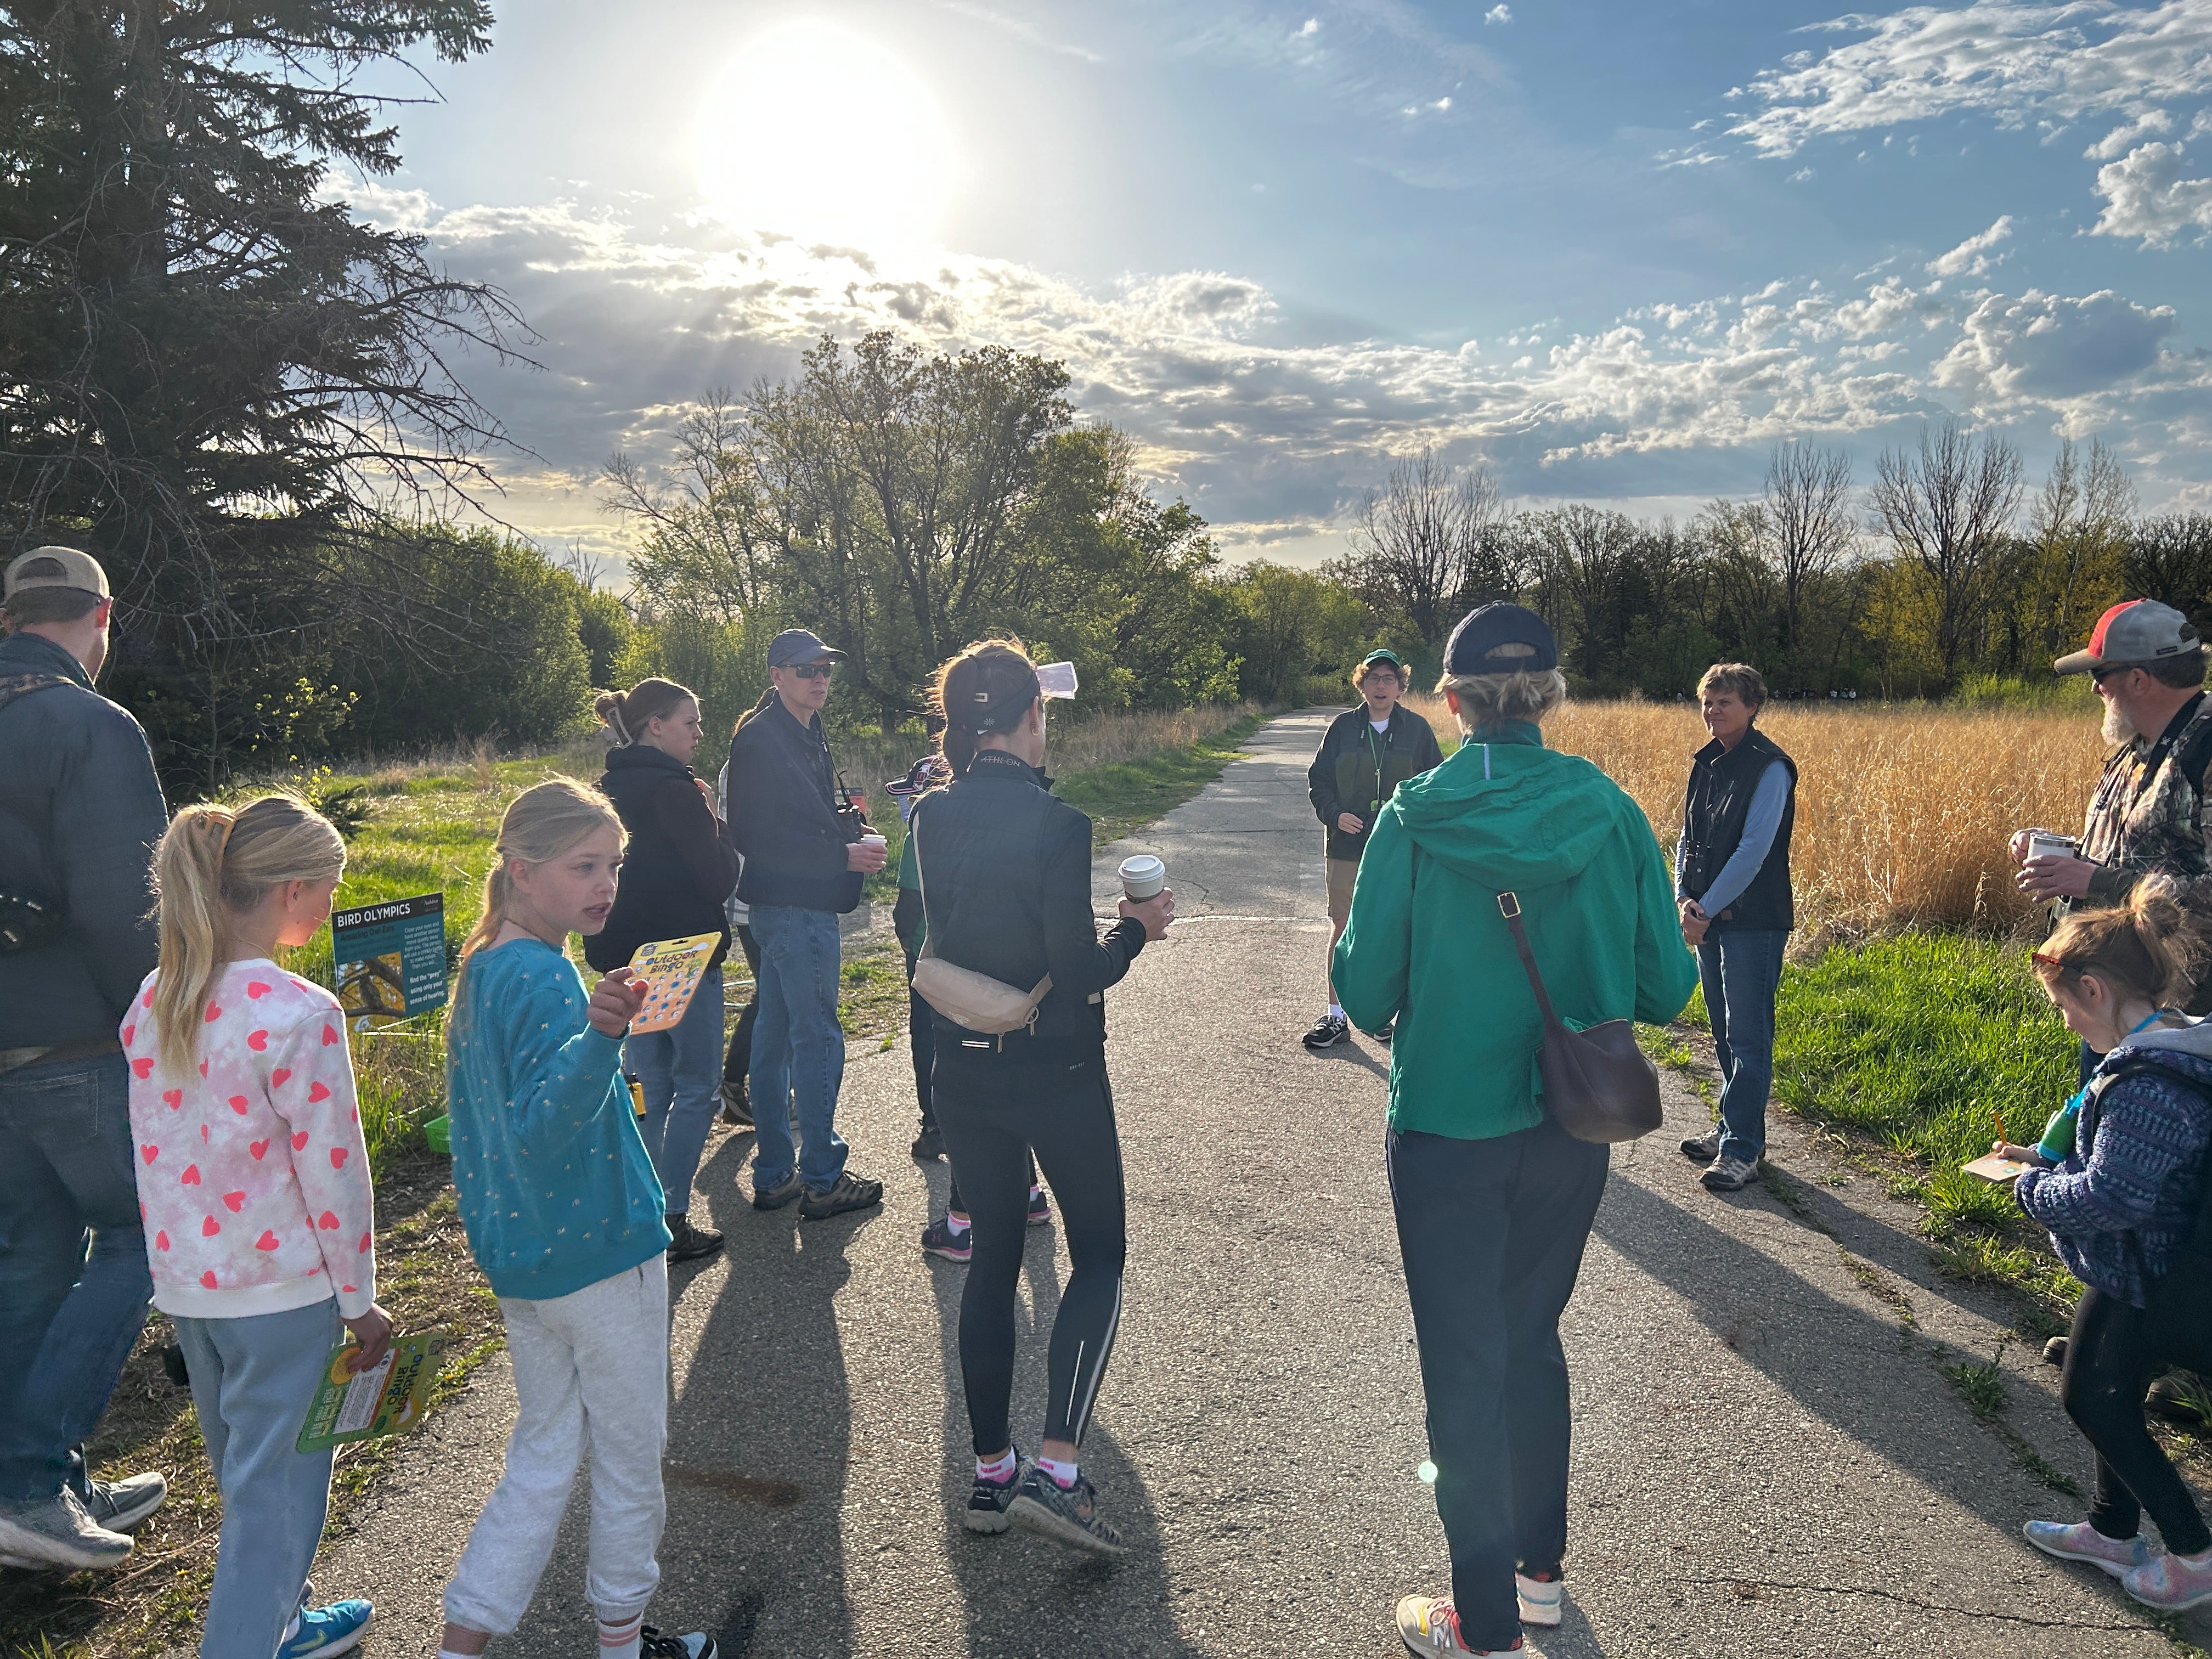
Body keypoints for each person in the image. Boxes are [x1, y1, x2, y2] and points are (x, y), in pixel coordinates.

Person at [1333, 603, 1697, 1658]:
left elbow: (1361, 989)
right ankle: (1539, 1582)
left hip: (1447, 1121)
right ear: (1550, 695)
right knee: (1531, 1340)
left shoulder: (1413, 814)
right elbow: (1667, 987)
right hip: (1567, 1125)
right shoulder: (1610, 807)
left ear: (1449, 700)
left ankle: (1480, 1621)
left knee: (1462, 1359)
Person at [438, 780, 714, 1659]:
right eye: (584, 866)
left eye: (615, 866)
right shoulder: (547, 976)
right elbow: (542, 1126)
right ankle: (623, 1643)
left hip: (524, 1261)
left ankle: (461, 1643)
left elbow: (489, 1127)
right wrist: (600, 1037)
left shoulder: (483, 966)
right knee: (632, 1461)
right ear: (522, 870)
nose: (606, 885)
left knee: (545, 1454)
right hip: (598, 1252)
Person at [909, 639, 1173, 1554]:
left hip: (963, 1065)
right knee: (1097, 1253)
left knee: (987, 1261)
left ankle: (990, 1474)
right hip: (1054, 1069)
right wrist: (1134, 931)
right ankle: (1058, 1467)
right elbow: (1077, 968)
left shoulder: (930, 816)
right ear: (1029, 718)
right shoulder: (1060, 825)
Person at [125, 795, 385, 1657]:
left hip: (192, 1288)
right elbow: (336, 1175)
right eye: (333, 887)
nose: (336, 903)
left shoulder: (157, 999)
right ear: (295, 889)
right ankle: (247, 1640)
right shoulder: (299, 1013)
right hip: (285, 1297)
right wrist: (361, 1300)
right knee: (277, 1500)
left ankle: (287, 1624)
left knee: (250, 1479)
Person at [0, 546, 172, 1572]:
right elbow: (129, 904)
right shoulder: (90, 726)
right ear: (100, 615)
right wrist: (169, 1026)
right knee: (144, 1237)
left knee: (30, 1256)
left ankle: (41, 1478)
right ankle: (28, 1477)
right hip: (74, 1043)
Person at [2013, 883, 2212, 1613]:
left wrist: (2034, 1192)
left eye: (2067, 1009)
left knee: (2095, 1402)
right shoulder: (2173, 1040)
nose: (2069, 1025)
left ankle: (2194, 1553)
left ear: (2094, 990)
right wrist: (2046, 1157)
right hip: (2146, 1264)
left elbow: (2113, 1198)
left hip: (2147, 1274)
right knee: (2110, 1389)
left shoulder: (2148, 1083)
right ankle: (2109, 1530)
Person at [724, 628, 887, 1221]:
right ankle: (822, 1177)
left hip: (793, 906)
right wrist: (839, 856)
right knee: (816, 1036)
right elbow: (755, 838)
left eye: (825, 668)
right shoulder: (762, 741)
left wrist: (849, 827)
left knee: (773, 1036)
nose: (818, 677)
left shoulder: (802, 730)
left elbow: (799, 818)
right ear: (776, 675)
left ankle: (774, 1175)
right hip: (792, 909)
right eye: (803, 668)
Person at [587, 679, 739, 1265]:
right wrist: (714, 816)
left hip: (624, 957)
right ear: (656, 726)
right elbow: (720, 880)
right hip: (682, 956)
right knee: (696, 1086)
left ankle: (639, 1206)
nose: (699, 733)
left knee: (646, 1086)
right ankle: (671, 1212)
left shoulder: (606, 790)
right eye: (690, 723)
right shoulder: (677, 793)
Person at [2015, 598, 2212, 1047]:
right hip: (2114, 1006)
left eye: (2098, 675)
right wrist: (2057, 853)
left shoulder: (2206, 749)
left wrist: (2097, 882)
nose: (2094, 689)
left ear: (2139, 680)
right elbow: (2133, 849)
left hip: (2181, 1023)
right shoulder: (2138, 747)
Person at [887, 756, 1051, 1263]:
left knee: (962, 1088)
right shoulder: (1029, 815)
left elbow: (909, 909)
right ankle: (1027, 1191)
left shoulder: (930, 827)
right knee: (1012, 1074)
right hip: (1014, 979)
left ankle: (962, 1222)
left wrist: (916, 961)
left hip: (949, 980)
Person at [1674, 663, 1798, 1194]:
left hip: (1753, 922)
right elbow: (1686, 835)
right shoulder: (1707, 764)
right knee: (1722, 1031)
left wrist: (1703, 909)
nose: (1714, 711)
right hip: (1707, 917)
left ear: (1752, 707)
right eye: (1708, 702)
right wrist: (1681, 896)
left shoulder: (1771, 768)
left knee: (1748, 1036)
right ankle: (1731, 1128)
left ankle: (1743, 1150)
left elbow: (1754, 851)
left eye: (1725, 702)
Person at [1304, 648, 1443, 1049]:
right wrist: (1334, 815)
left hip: (1400, 851)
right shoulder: (1342, 728)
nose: (1381, 686)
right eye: (1374, 678)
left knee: (1399, 930)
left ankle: (1382, 1014)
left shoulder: (1417, 730)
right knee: (1344, 928)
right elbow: (1319, 782)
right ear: (1361, 684)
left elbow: (1433, 787)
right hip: (1346, 846)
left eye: (1389, 679)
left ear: (1401, 687)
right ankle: (1335, 1017)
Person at [713, 757, 757, 1133]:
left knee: (772, 993)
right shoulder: (758, 759)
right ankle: (734, 1081)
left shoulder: (735, 764)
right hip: (758, 894)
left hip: (746, 894)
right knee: (773, 995)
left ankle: (739, 1081)